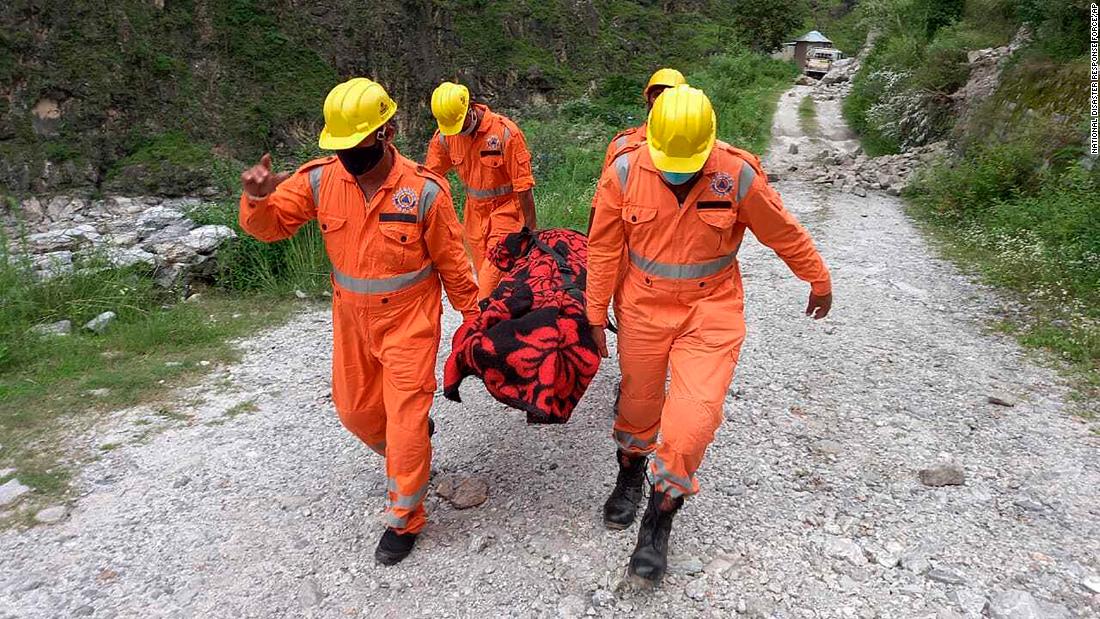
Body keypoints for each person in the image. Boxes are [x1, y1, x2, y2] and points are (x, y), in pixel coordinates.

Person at [586, 85, 833, 582]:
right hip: (642, 307)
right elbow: (603, 248)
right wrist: (594, 314)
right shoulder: (625, 171)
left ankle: (658, 520)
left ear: (710, 143)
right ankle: (630, 472)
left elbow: (781, 230)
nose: (680, 169)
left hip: (711, 310)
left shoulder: (737, 174)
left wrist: (817, 276)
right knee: (638, 403)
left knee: (692, 421)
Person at [237, 78, 479, 566]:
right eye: (341, 144)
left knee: (406, 420)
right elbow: (270, 228)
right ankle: (407, 450)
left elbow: (454, 264)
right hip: (351, 320)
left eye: (358, 142)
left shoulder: (424, 192)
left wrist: (473, 322)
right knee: (355, 412)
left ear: (387, 131)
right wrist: (258, 200)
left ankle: (405, 518)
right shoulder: (320, 180)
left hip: (409, 321)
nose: (349, 152)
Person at [424, 81, 537, 300]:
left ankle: (484, 322)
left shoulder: (505, 134)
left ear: (470, 108)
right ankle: (503, 325)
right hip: (474, 217)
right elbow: (429, 178)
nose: (458, 130)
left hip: (507, 213)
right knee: (489, 278)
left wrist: (530, 231)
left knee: (487, 284)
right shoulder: (445, 136)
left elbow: (524, 186)